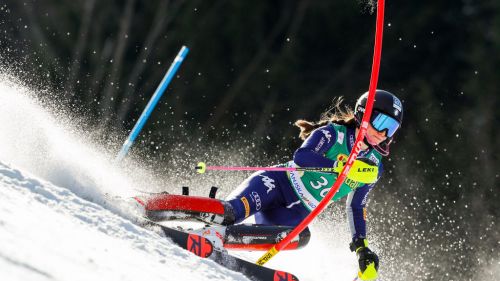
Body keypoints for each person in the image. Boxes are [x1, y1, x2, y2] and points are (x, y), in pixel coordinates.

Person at [142, 89, 403, 281]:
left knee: (299, 237)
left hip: (296, 211)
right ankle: (169, 207)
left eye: (392, 128)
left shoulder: (373, 167)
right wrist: (341, 165)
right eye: (381, 123)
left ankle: (220, 239)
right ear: (363, 116)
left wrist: (361, 247)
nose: (384, 133)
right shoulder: (332, 133)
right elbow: (303, 157)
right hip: (275, 184)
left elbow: (356, 207)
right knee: (230, 212)